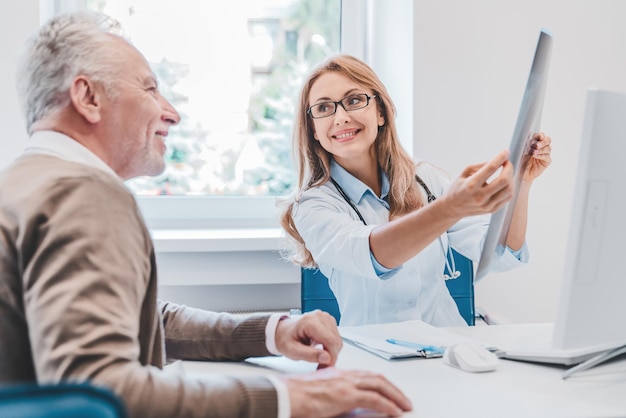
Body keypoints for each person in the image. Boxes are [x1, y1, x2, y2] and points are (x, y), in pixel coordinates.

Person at [0, 12, 413, 418]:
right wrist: (290, 398)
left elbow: (140, 319)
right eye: (149, 88)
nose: (171, 113)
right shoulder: (83, 194)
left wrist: (271, 331)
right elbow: (98, 390)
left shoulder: (28, 184)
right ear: (88, 98)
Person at [280, 54, 552, 327]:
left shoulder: (425, 179)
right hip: (373, 357)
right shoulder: (313, 205)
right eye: (324, 108)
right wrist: (449, 209)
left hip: (449, 351)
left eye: (353, 101)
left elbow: (499, 255)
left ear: (380, 112)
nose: (340, 117)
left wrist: (521, 184)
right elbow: (374, 254)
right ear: (313, 129)